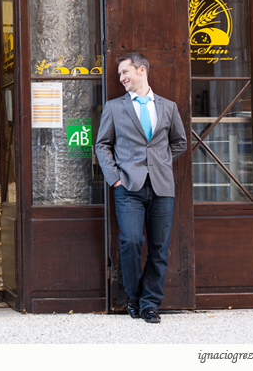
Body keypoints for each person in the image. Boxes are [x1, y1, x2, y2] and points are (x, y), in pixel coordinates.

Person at [95, 52, 187, 324]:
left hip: (161, 186)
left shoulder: (168, 107)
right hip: (127, 186)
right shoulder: (114, 107)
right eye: (119, 74)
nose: (121, 78)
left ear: (142, 70)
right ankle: (134, 297)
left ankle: (150, 304)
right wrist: (115, 178)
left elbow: (179, 142)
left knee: (160, 247)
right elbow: (102, 145)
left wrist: (159, 162)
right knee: (131, 240)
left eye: (125, 72)